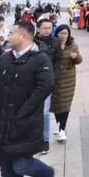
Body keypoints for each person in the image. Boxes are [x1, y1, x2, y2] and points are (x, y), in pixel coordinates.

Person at [0, 21, 55, 177]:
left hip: (23, 124)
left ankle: (46, 173)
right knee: (5, 166)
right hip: (1, 121)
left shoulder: (40, 59)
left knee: (20, 164)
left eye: (11, 33)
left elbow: (45, 87)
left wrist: (23, 113)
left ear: (23, 36)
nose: (8, 36)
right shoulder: (6, 58)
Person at [34, 19, 62, 155]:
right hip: (31, 81)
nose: (47, 30)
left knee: (45, 113)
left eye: (49, 28)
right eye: (44, 28)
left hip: (47, 81)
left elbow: (59, 61)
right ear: (38, 28)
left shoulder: (55, 42)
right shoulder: (31, 42)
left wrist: (53, 77)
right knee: (32, 111)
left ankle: (44, 139)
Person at [51, 25, 82, 143]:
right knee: (56, 103)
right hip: (55, 78)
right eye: (61, 33)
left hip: (68, 78)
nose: (63, 36)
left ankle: (62, 129)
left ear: (68, 34)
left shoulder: (73, 45)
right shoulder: (53, 45)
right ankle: (58, 123)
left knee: (65, 103)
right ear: (57, 34)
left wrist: (76, 57)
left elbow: (79, 60)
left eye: (65, 33)